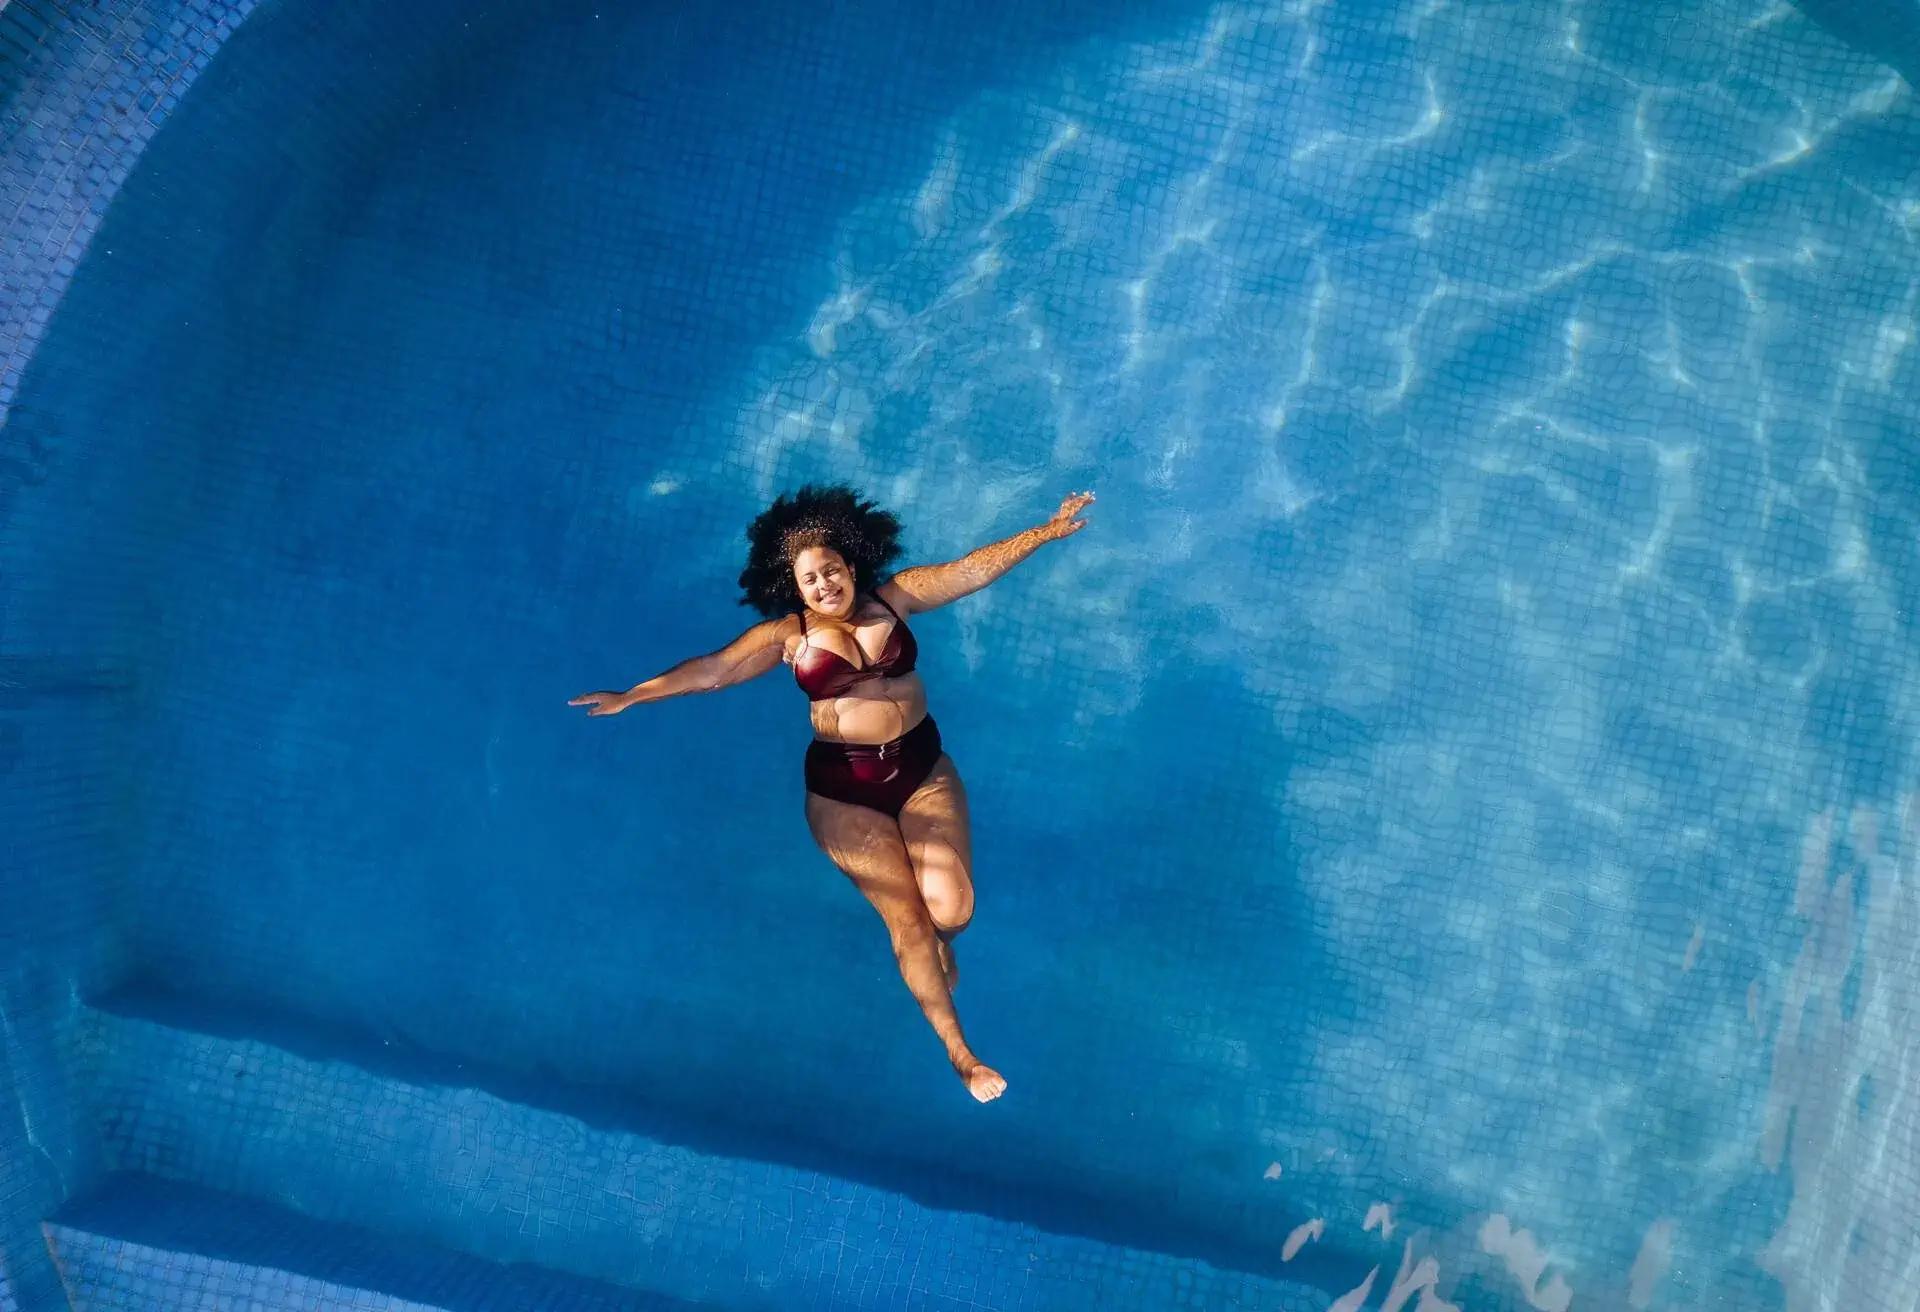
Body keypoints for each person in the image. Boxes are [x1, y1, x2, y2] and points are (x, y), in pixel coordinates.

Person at [571, 485, 1094, 1102]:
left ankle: (943, 946)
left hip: (922, 772)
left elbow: (969, 570)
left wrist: (1045, 532)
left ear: (851, 565)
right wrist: (634, 694)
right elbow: (710, 671)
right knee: (906, 921)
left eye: (830, 571)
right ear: (794, 589)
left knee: (952, 911)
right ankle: (962, 1054)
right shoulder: (788, 638)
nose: (823, 586)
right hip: (844, 794)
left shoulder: (895, 599)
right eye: (809, 580)